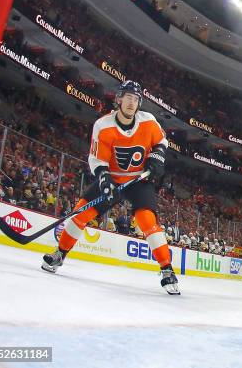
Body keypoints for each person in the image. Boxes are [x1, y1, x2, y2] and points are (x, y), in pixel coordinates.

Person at [40, 80, 180, 295]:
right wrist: (105, 180)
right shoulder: (103, 125)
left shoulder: (148, 121)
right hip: (113, 179)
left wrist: (156, 157)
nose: (132, 103)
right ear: (119, 100)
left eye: (136, 99)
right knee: (81, 212)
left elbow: (161, 142)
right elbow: (97, 161)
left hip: (139, 180)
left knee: (147, 221)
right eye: (128, 98)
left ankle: (167, 269)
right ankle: (60, 253)